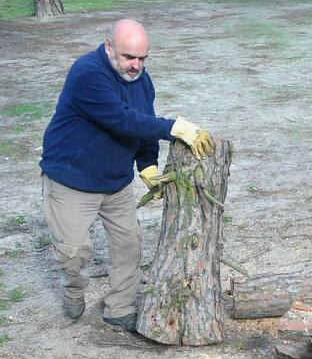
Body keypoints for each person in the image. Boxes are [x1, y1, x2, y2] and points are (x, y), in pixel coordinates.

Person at [40, 18, 214, 330]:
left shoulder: (142, 82)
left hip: (115, 182)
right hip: (72, 179)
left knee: (128, 246)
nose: (135, 66)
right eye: (128, 57)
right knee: (74, 253)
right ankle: (74, 289)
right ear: (109, 48)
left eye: (142, 59)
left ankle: (119, 308)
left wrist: (146, 163)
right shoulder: (87, 74)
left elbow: (142, 123)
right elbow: (122, 120)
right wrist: (174, 127)